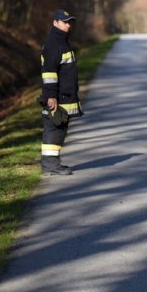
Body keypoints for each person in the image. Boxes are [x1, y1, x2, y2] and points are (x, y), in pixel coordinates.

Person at [39, 9, 83, 175]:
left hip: (63, 96)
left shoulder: (61, 42)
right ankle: (50, 165)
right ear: (55, 23)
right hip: (57, 97)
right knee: (54, 128)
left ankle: (52, 163)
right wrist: (51, 96)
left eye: (69, 22)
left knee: (60, 128)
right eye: (64, 22)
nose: (67, 25)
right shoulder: (54, 44)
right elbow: (49, 73)